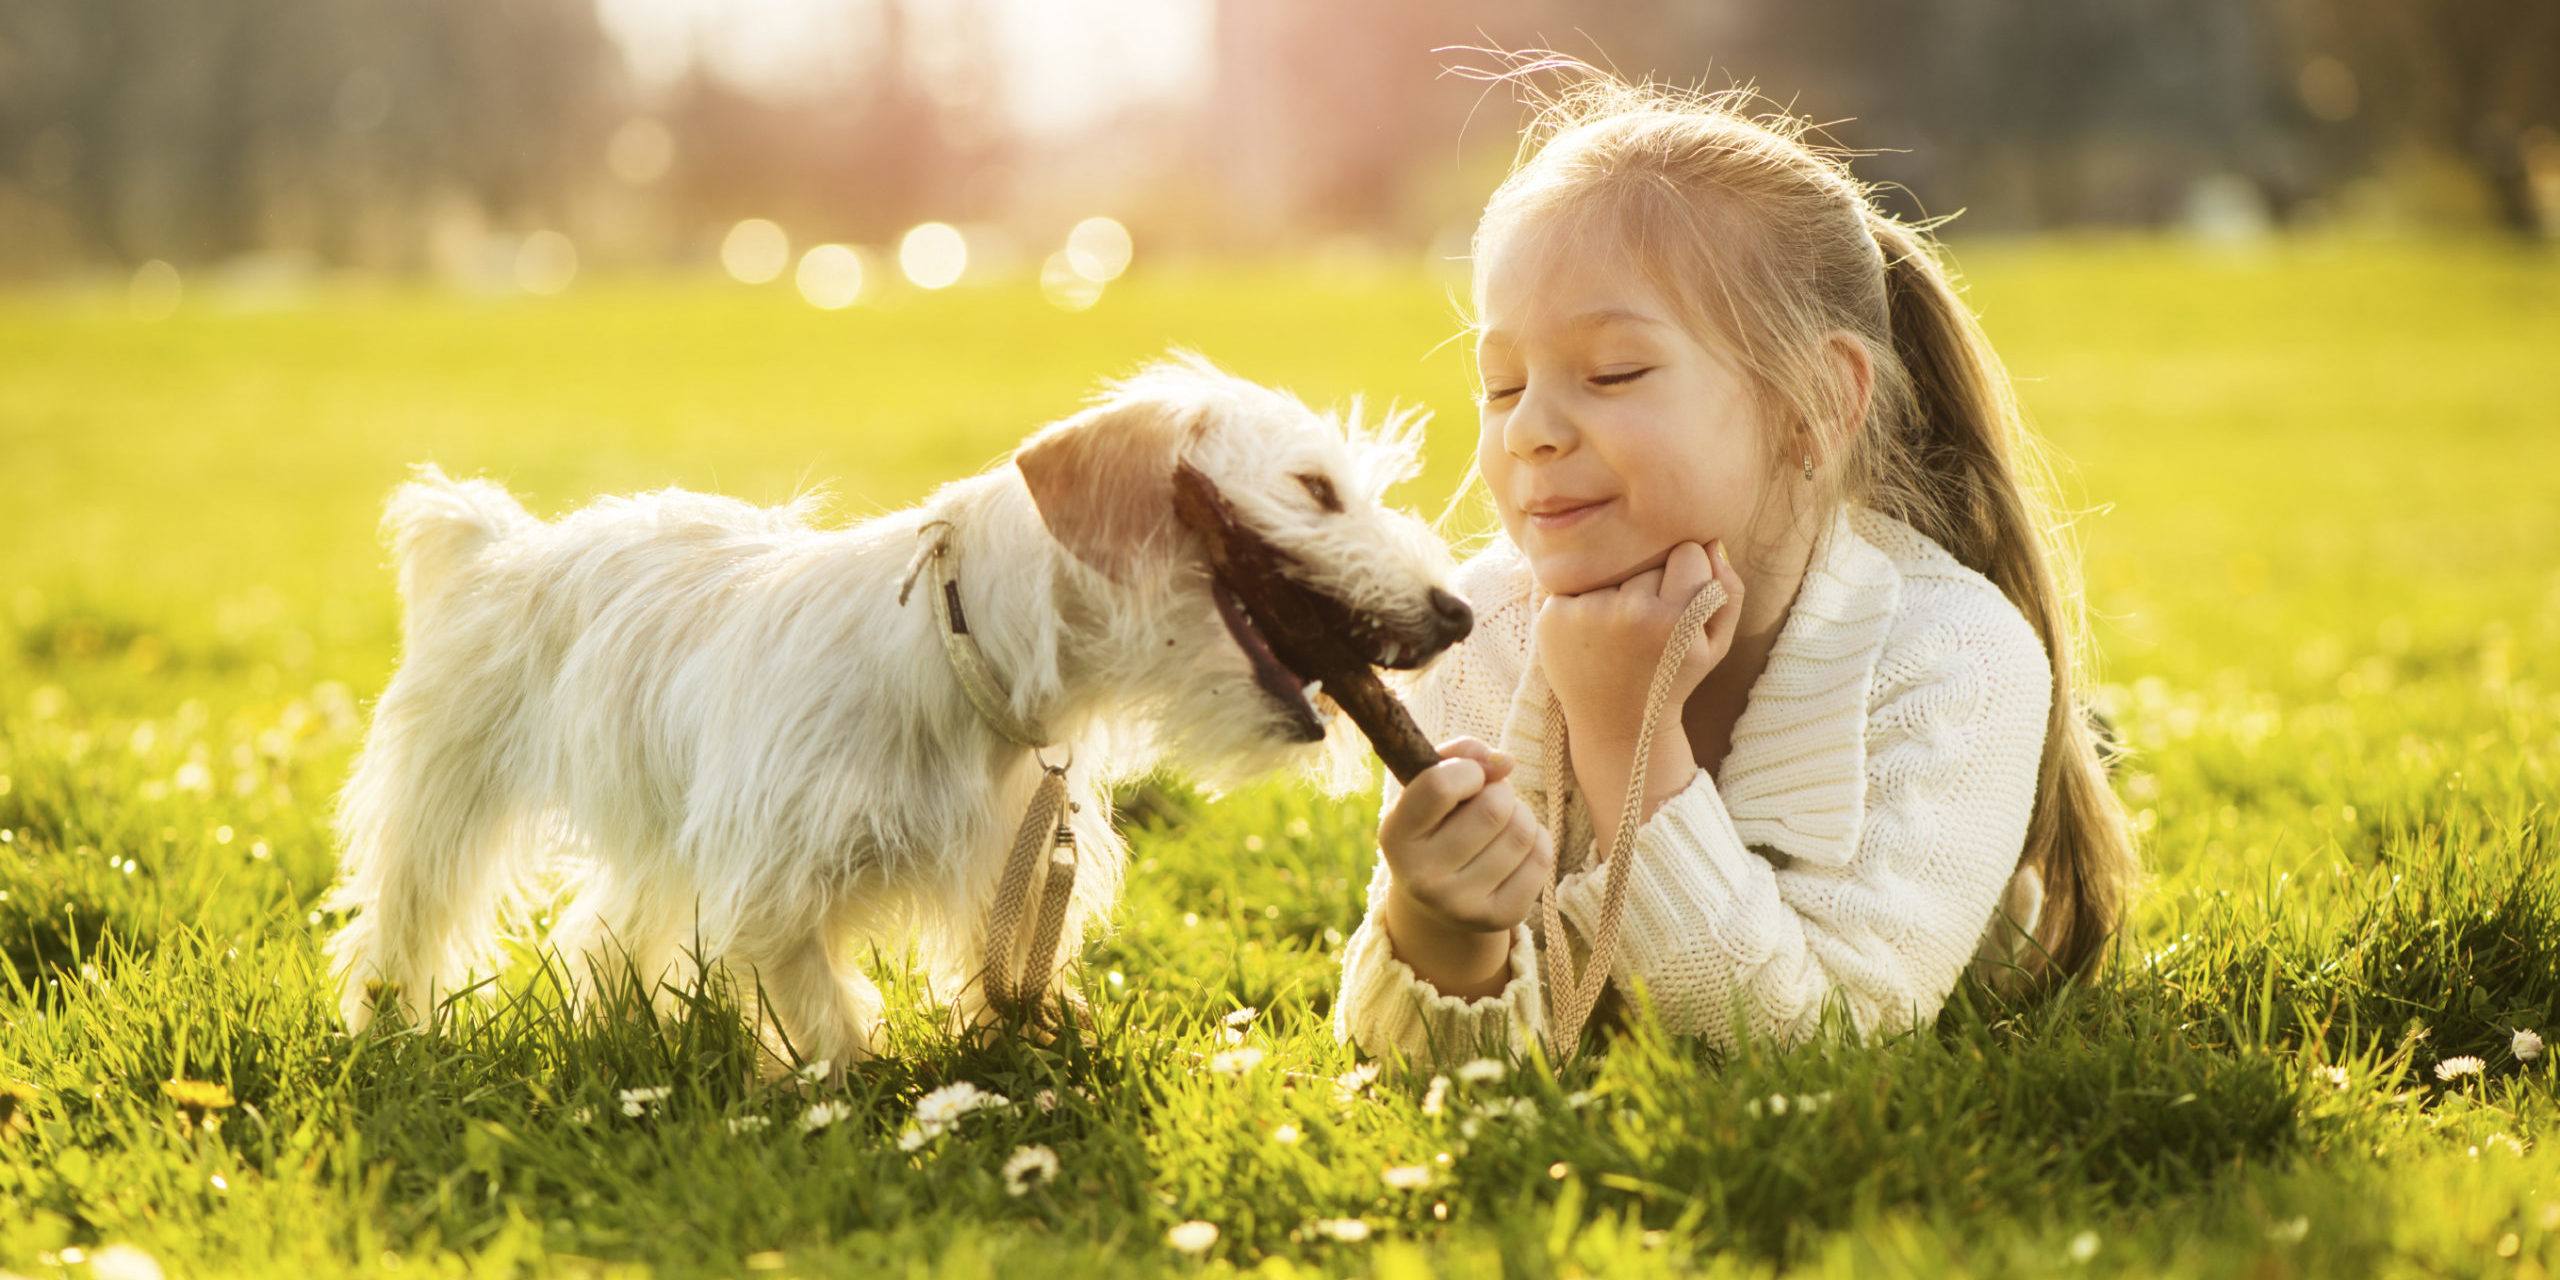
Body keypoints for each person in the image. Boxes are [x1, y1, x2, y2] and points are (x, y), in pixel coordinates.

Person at [1333, 68, 2138, 1064]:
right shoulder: (1480, 632)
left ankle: (2076, 753)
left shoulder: (1954, 658)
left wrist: (1627, 739)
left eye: (1612, 371)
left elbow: (1820, 1044)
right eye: (1500, 386)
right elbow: (1430, 1068)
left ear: (1814, 404)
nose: (1529, 428)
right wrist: (1442, 927)